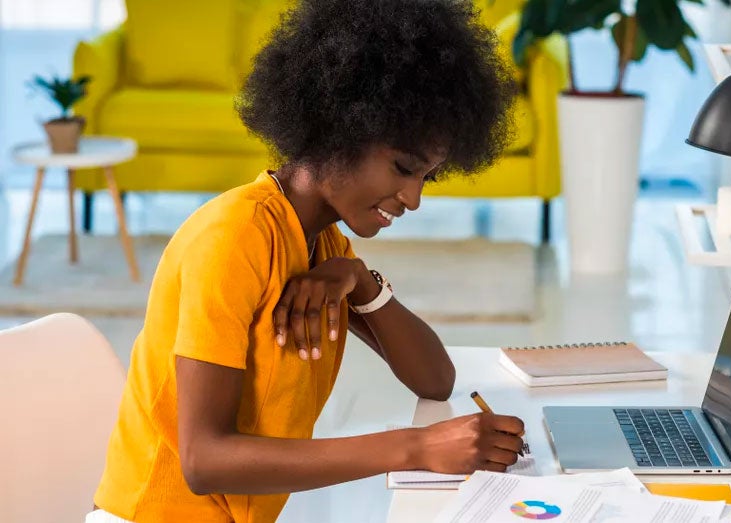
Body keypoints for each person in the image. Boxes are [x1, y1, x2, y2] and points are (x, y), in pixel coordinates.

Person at [89, 1, 522, 521]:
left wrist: (362, 282)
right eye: (403, 168)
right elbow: (203, 461)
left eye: (425, 177)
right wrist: (417, 447)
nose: (413, 199)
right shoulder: (235, 237)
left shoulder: (326, 245)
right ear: (339, 130)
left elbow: (436, 380)